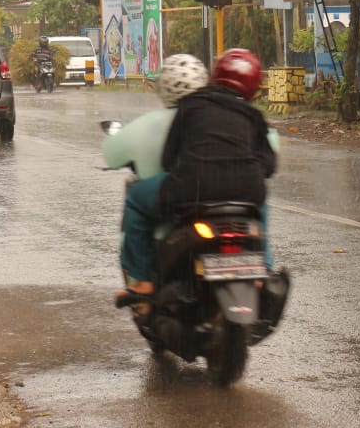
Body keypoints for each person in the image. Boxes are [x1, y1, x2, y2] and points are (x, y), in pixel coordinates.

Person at [102, 53, 210, 297]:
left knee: (136, 199)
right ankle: (264, 264)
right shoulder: (222, 113)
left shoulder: (154, 122)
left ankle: (141, 279)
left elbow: (111, 154)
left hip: (182, 192)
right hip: (227, 193)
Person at [160, 48, 276, 214]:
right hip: (247, 192)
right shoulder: (254, 115)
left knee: (138, 199)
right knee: (259, 213)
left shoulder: (191, 104)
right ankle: (263, 241)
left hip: (194, 191)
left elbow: (167, 159)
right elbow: (269, 165)